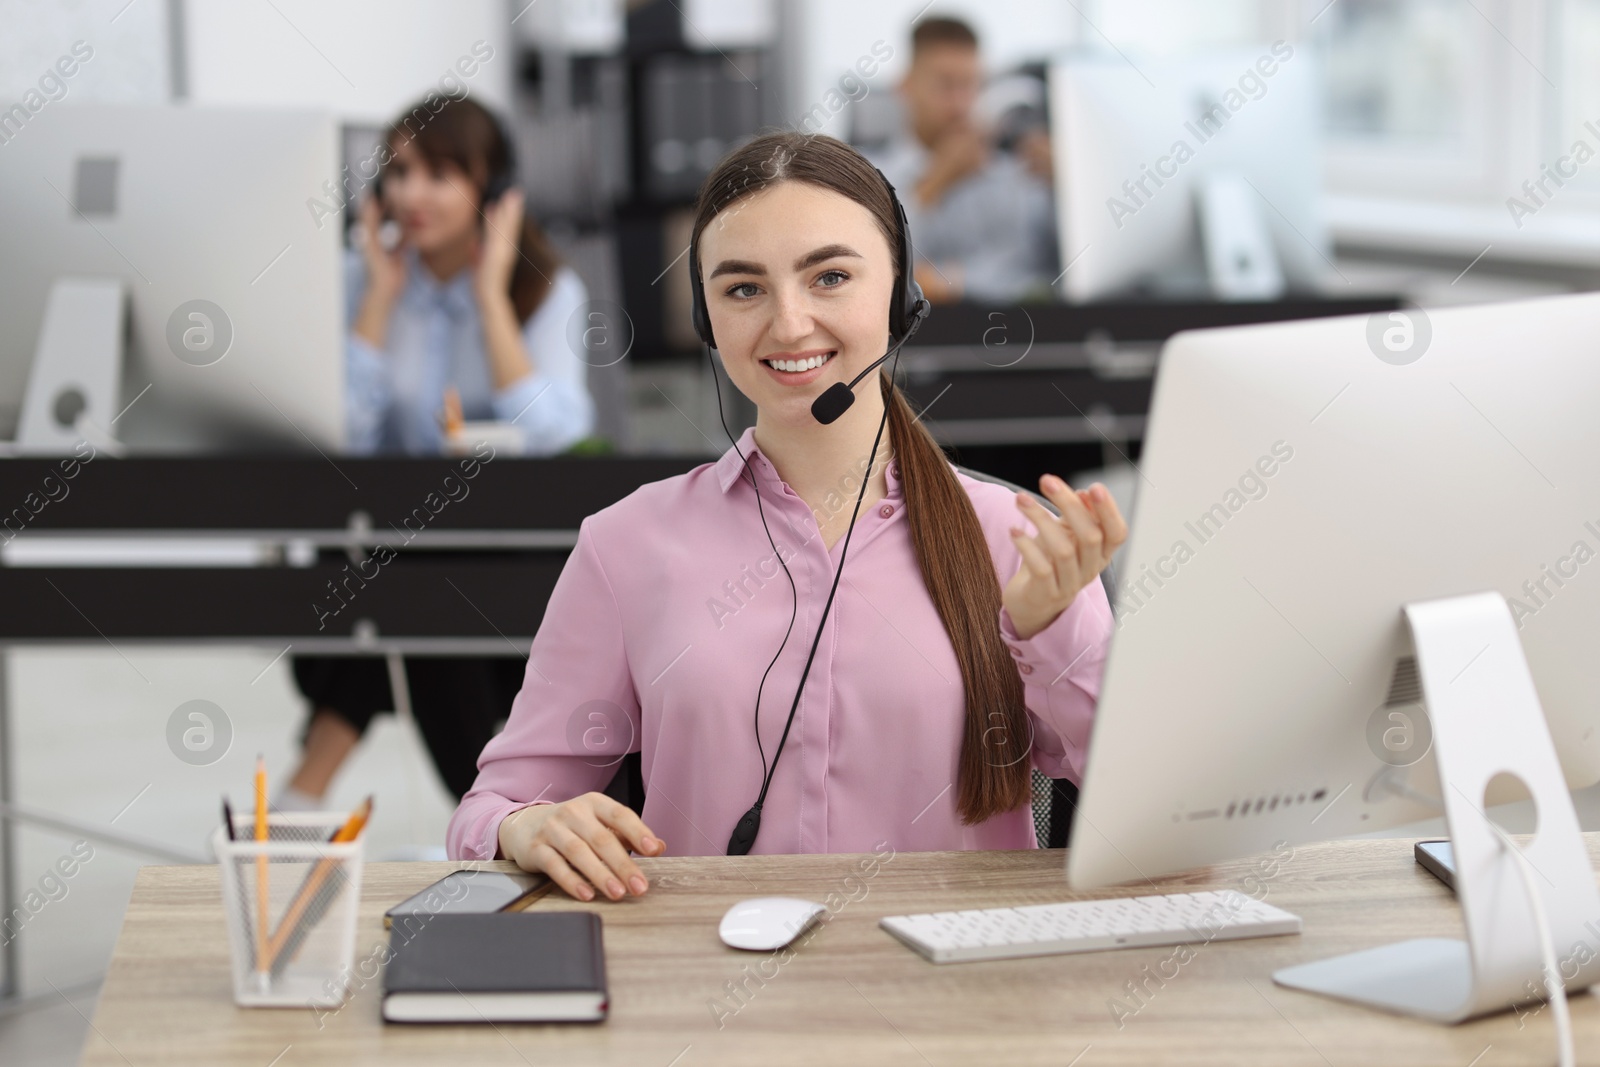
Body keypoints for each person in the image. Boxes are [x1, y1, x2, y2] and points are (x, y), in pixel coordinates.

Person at [446, 130, 1125, 904]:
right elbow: (496, 805)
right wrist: (526, 827)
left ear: (901, 293)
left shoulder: (1014, 538)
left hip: (954, 1006)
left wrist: (1049, 632)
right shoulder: (625, 545)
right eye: (744, 289)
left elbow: (1141, 798)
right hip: (710, 996)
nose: (790, 323)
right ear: (705, 318)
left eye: (829, 276)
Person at [281, 95, 595, 811]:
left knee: (423, 586)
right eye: (397, 172)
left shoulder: (544, 287)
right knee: (411, 579)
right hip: (382, 545)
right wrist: (379, 302)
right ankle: (491, 812)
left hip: (504, 553)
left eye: (439, 174)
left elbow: (558, 435)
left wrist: (490, 300)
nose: (410, 194)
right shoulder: (356, 279)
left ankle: (308, 794)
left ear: (491, 191)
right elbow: (337, 436)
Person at [863, 16, 1058, 304]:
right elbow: (867, 264)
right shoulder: (865, 173)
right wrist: (935, 181)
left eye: (970, 85)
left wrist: (1064, 184)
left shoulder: (1013, 173)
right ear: (905, 86)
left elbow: (1041, 269)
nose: (960, 104)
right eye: (945, 85)